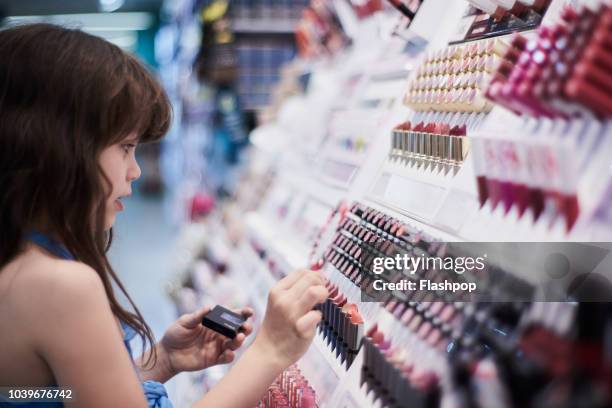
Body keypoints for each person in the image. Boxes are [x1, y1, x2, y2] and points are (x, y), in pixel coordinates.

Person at [0, 23, 329, 407]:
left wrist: (162, 361)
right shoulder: (60, 287)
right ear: (58, 147)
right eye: (125, 147)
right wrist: (270, 350)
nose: (135, 170)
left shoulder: (19, 263)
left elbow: (46, 394)